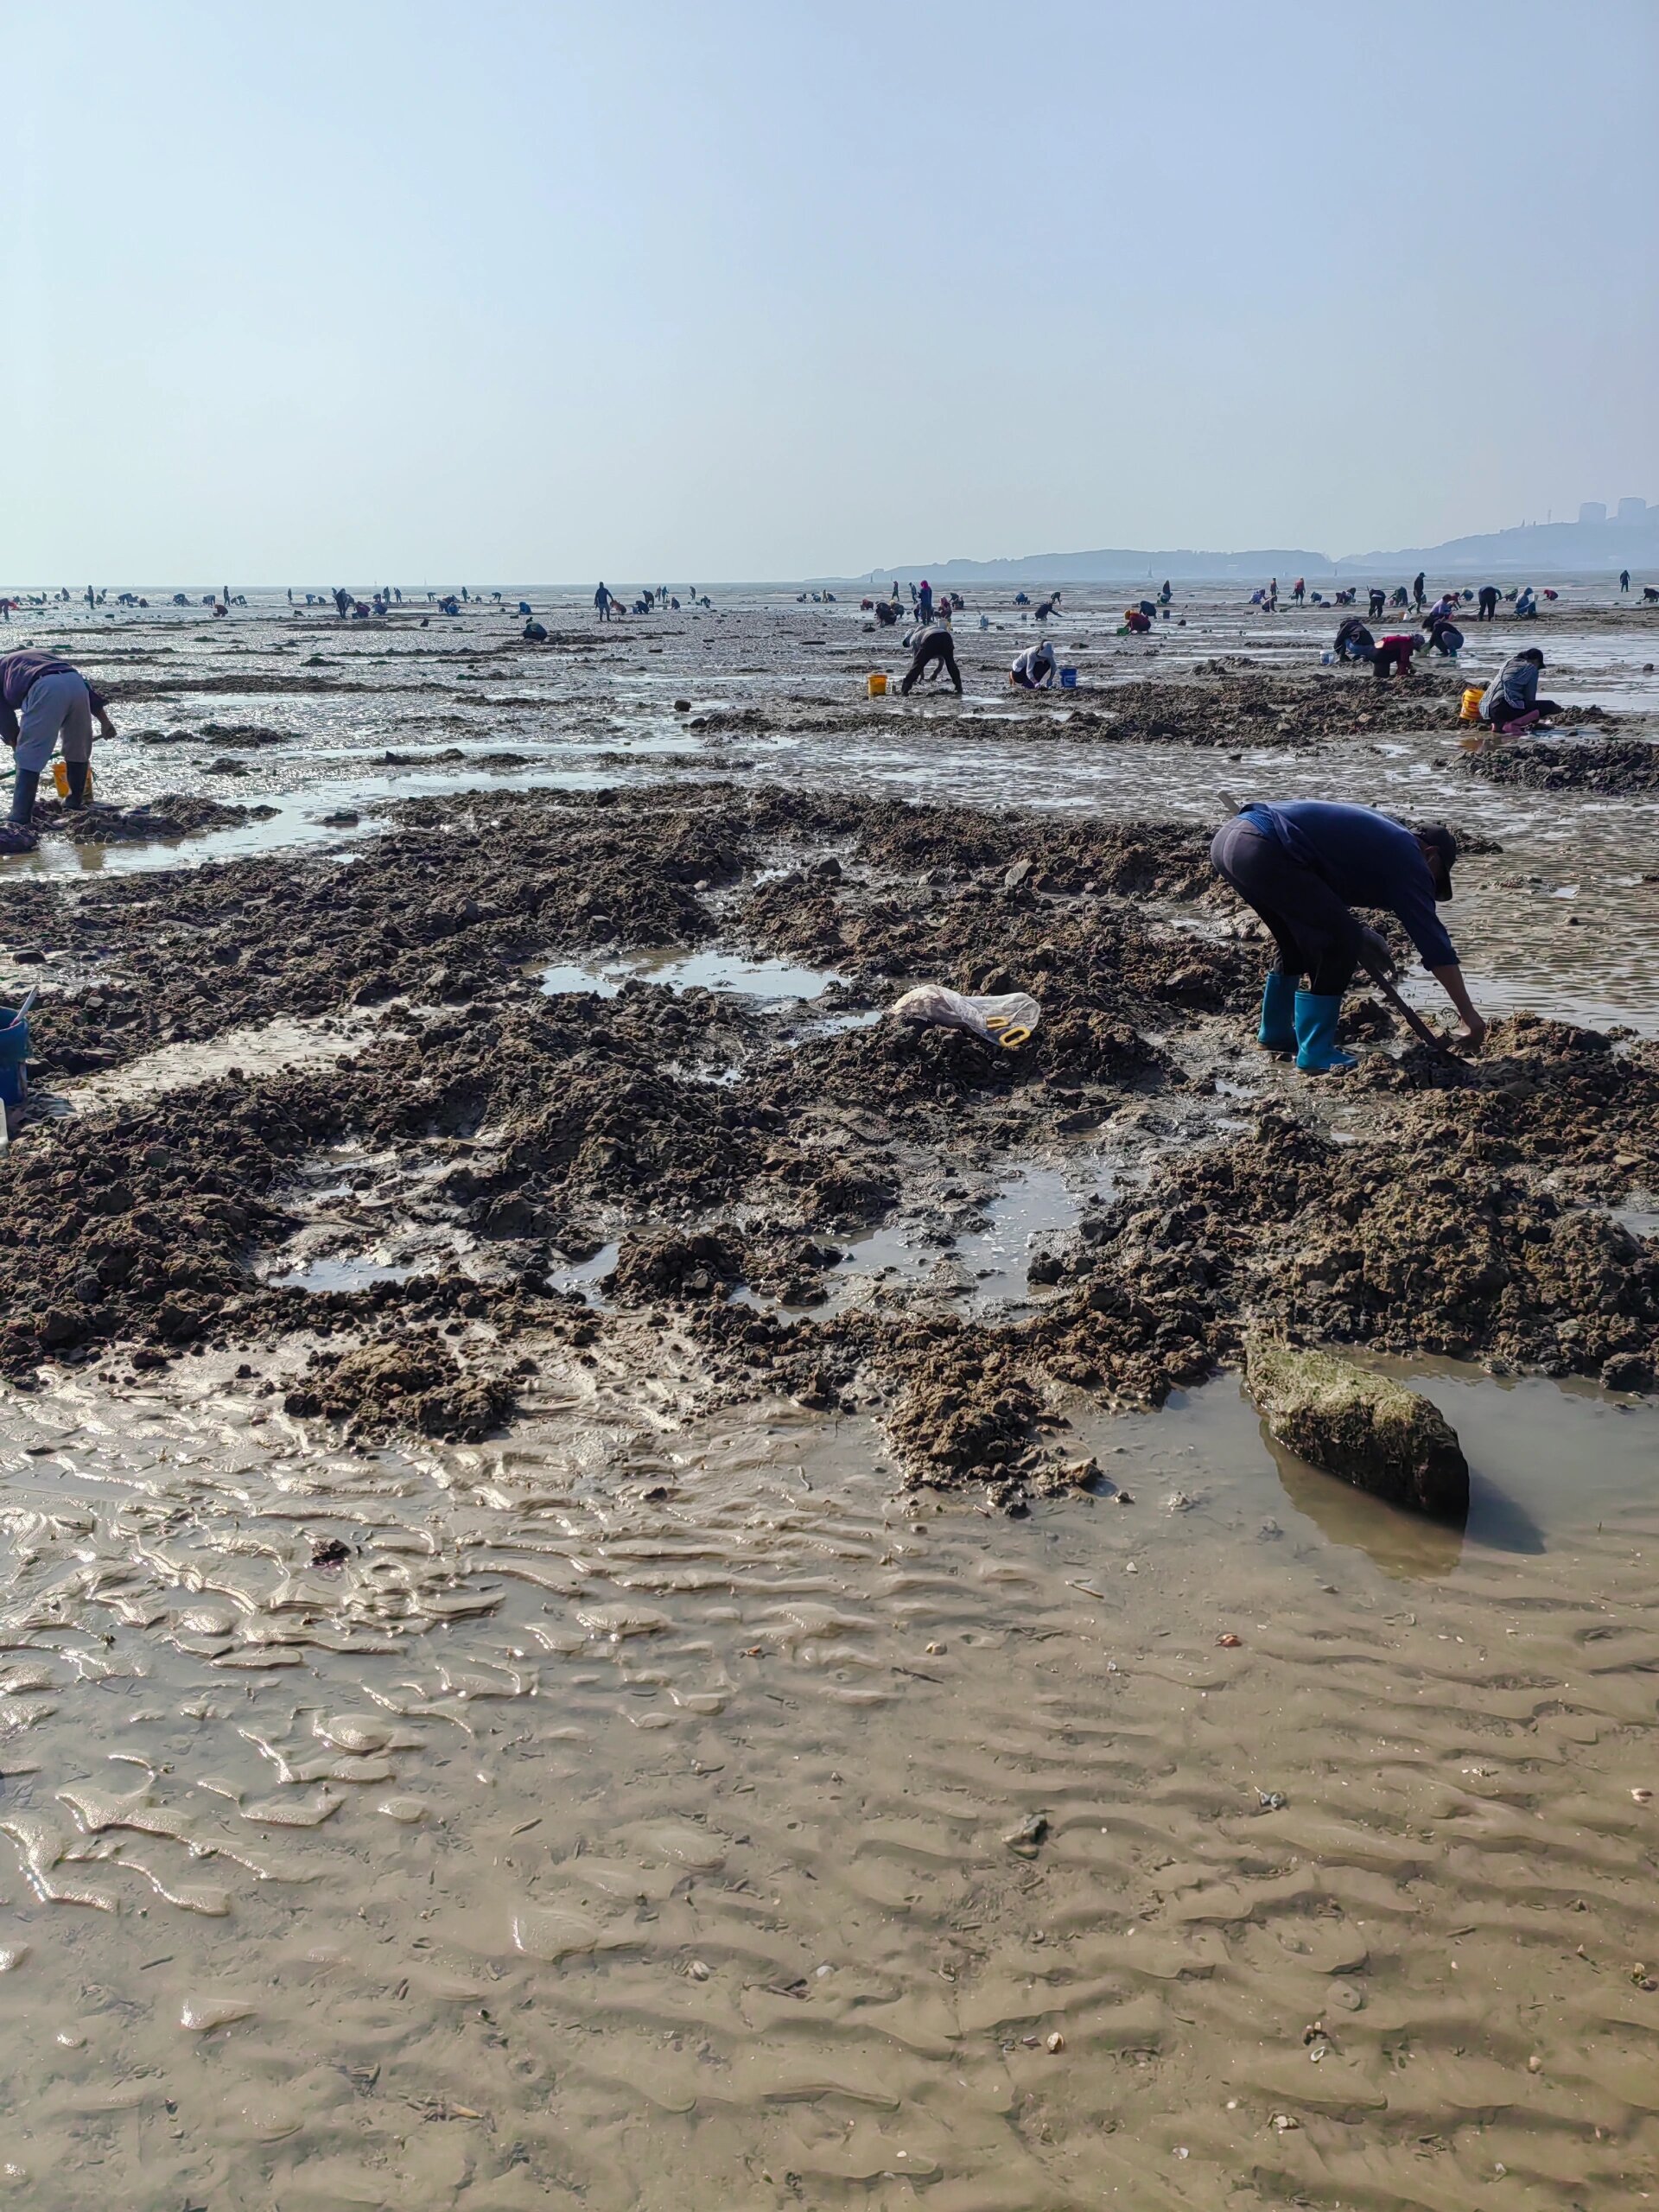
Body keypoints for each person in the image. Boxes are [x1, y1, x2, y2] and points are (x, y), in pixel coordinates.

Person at [1210, 800, 1482, 1073]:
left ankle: (1276, 1033)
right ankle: (1315, 1052)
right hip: (1263, 844)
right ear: (1432, 856)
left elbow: (1318, 896)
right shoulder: (1411, 858)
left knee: (1293, 940)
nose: (1430, 884)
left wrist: (1358, 931)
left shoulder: (1385, 840)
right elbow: (1434, 944)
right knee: (1339, 943)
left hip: (1230, 841)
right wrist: (1468, 1013)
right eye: (1436, 877)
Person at [1, 649, 116, 852]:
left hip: (43, 686)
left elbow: (6, 720)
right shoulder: (38, 658)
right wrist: (104, 722)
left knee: (29, 755)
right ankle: (74, 802)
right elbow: (87, 690)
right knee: (78, 747)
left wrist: (17, 747)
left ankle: (19, 816)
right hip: (76, 684)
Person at [1478, 647, 1559, 735]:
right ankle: (1513, 725)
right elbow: (1530, 697)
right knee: (1550, 706)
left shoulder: (1507, 664)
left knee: (1504, 702)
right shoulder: (1531, 668)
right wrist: (1534, 718)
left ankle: (1497, 727)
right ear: (1536, 661)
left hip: (1486, 710)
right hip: (1502, 707)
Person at [899, 617, 963, 696]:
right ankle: (959, 687)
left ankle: (905, 689)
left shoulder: (913, 638)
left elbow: (917, 662)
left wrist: (921, 675)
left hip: (930, 639)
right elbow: (941, 658)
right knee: (951, 664)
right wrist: (936, 672)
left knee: (917, 666)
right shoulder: (925, 630)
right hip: (946, 636)